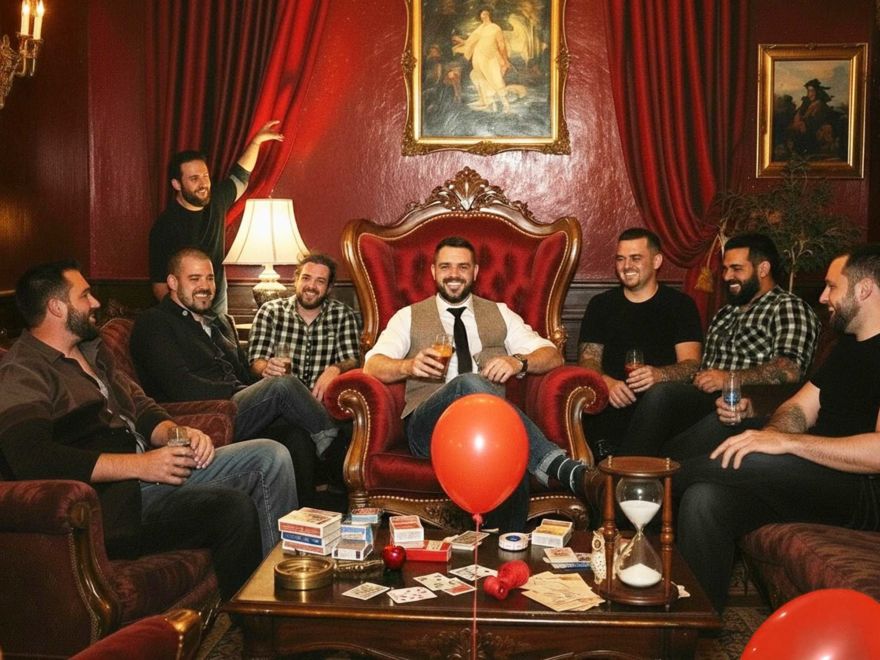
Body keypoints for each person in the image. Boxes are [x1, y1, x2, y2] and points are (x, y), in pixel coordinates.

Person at [0, 260, 297, 599]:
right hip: (115, 503)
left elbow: (141, 407)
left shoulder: (91, 350)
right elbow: (32, 458)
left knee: (271, 455)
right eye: (84, 295)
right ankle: (260, 614)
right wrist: (141, 465)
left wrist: (177, 434)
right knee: (233, 508)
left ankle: (286, 587)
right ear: (56, 307)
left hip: (151, 470)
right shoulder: (23, 371)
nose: (95, 302)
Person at [675, 245, 880, 612]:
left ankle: (628, 483)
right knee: (704, 499)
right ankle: (694, 628)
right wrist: (774, 435)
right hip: (816, 475)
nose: (823, 297)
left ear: (864, 289)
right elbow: (798, 407)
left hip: (862, 490)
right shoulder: (848, 347)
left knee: (746, 456)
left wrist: (789, 444)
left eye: (832, 286)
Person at [363, 236, 594, 532]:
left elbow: (552, 355)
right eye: (445, 267)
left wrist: (518, 362)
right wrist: (407, 366)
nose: (454, 274)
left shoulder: (500, 313)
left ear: (475, 272)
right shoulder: (407, 317)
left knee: (509, 451)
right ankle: (556, 465)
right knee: (468, 383)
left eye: (462, 267)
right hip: (428, 428)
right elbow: (372, 364)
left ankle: (507, 546)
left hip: (491, 430)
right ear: (433, 271)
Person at [131, 249, 345, 501]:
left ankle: (305, 516)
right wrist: (245, 391)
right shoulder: (154, 322)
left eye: (210, 278)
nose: (205, 286)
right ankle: (337, 450)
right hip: (206, 415)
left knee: (296, 436)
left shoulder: (218, 322)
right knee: (282, 386)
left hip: (240, 405)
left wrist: (263, 375)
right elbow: (180, 386)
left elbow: (245, 373)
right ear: (173, 282)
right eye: (195, 279)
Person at [618, 233, 820, 458]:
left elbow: (789, 370)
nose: (726, 276)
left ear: (763, 269)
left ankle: (634, 469)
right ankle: (633, 467)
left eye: (736, 269)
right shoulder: (725, 313)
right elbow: (702, 368)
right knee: (659, 394)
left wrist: (728, 379)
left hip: (748, 404)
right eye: (725, 269)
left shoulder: (788, 308)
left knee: (664, 403)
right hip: (706, 399)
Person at [578, 228, 703, 457]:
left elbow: (692, 366)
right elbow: (587, 360)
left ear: (657, 261)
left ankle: (624, 470)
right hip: (610, 404)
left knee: (659, 399)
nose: (626, 266)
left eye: (635, 258)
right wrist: (606, 382)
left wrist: (659, 375)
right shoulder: (600, 305)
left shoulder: (680, 305)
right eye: (620, 259)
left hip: (662, 413)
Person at [148, 120, 284, 315]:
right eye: (194, 179)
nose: (203, 184)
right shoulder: (164, 227)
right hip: (185, 310)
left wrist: (256, 142)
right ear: (177, 184)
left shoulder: (217, 200)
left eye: (205, 176)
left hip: (217, 303)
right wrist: (182, 318)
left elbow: (240, 176)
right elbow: (160, 285)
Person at [452, 8, 512, 112]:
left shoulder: (495, 28)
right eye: (482, 14)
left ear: (490, 15)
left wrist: (505, 59)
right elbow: (469, 42)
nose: (484, 16)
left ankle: (506, 104)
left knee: (496, 79)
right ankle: (489, 103)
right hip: (478, 57)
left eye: (486, 14)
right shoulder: (479, 29)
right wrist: (459, 40)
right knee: (478, 77)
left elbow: (501, 45)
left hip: (491, 57)